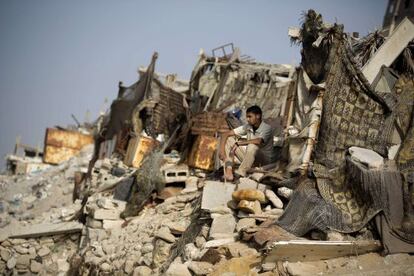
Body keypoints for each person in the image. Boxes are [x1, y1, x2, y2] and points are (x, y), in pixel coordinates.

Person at [219, 105, 275, 181]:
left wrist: (239, 143)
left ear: (258, 116)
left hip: (263, 161)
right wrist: (222, 150)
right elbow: (225, 134)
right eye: (247, 117)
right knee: (230, 140)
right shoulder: (248, 126)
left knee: (252, 146)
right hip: (250, 158)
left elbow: (258, 141)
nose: (247, 119)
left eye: (250, 117)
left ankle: (240, 174)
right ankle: (229, 171)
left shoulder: (267, 128)